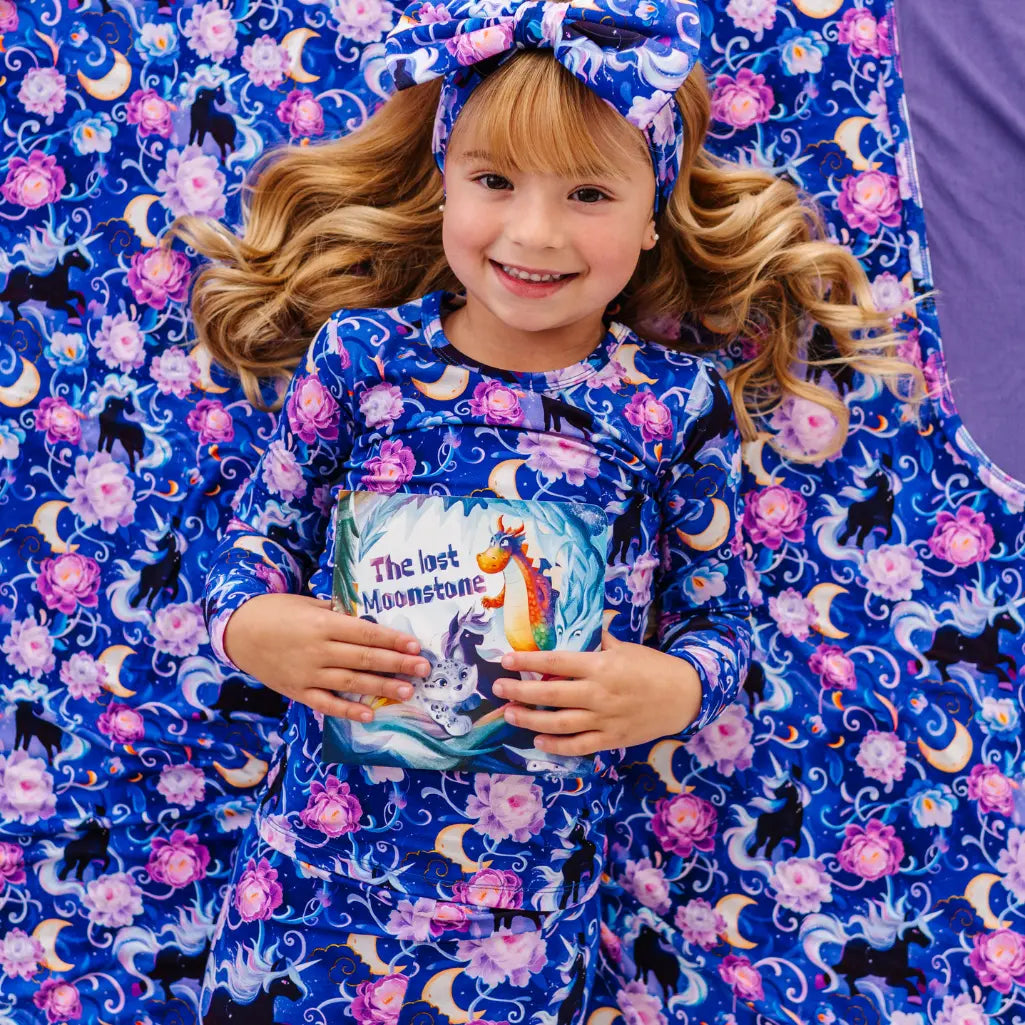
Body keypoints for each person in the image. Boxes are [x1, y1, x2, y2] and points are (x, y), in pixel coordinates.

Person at [174, 1, 914, 1018]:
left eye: (588, 193)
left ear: (651, 215)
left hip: (521, 921)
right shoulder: (361, 358)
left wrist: (671, 688)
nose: (533, 232)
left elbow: (720, 624)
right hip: (309, 886)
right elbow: (255, 537)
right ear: (443, 181)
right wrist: (252, 625)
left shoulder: (670, 406)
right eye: (493, 181)